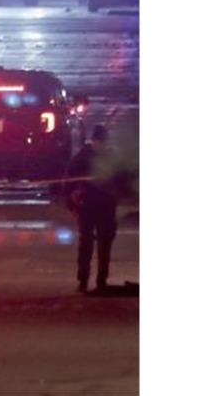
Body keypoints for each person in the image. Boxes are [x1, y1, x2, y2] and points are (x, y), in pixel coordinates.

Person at [65, 124, 119, 294]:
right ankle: (83, 280)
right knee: (86, 244)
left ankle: (101, 280)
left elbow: (122, 180)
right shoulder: (82, 158)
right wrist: (72, 203)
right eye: (99, 142)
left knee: (104, 245)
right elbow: (69, 183)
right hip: (87, 206)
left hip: (106, 207)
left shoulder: (111, 158)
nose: (101, 145)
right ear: (94, 141)